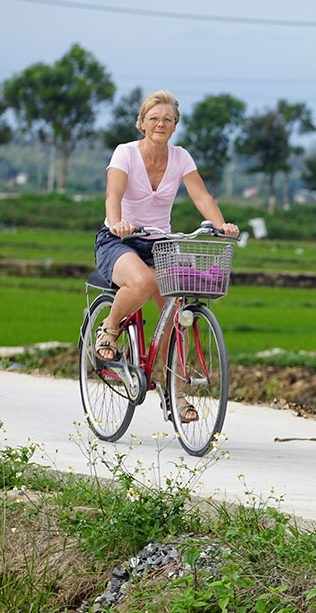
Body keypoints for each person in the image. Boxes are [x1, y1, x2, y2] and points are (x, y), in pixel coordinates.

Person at [93, 89, 239, 421]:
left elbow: (200, 194)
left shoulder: (181, 157)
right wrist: (117, 223)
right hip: (119, 240)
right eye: (155, 118)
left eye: (168, 119)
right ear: (142, 123)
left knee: (179, 315)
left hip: (160, 244)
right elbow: (113, 194)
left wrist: (221, 224)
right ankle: (110, 328)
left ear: (174, 127)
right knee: (142, 282)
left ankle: (177, 394)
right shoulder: (125, 153)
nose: (161, 123)